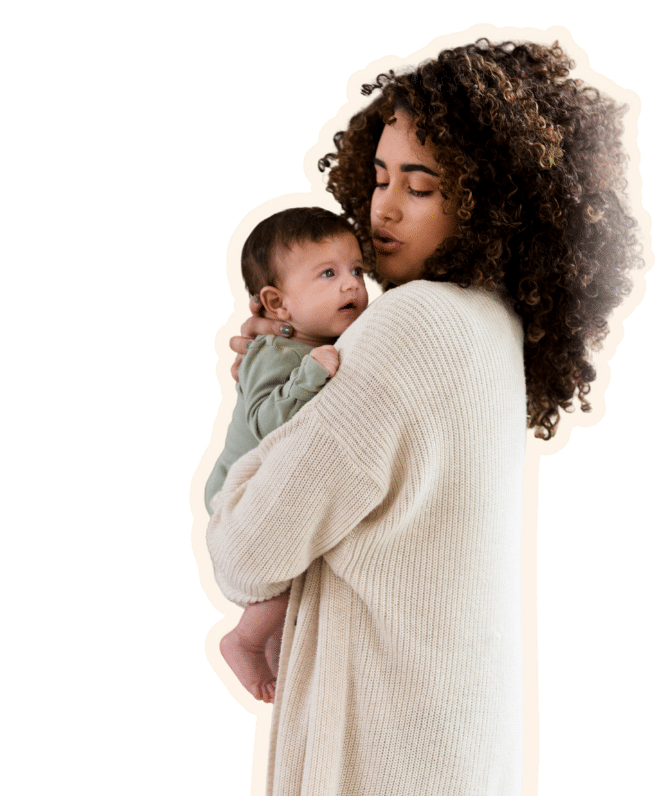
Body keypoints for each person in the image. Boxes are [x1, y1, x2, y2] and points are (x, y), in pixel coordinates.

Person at [209, 40, 641, 796]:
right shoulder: (491, 327)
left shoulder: (414, 324)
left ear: (491, 198)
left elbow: (246, 551)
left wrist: (253, 398)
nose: (382, 208)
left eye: (421, 185)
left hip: (381, 767)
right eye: (378, 178)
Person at [206, 206, 368, 704]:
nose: (352, 286)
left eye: (356, 270)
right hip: (241, 483)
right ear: (277, 303)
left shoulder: (324, 339)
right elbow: (263, 422)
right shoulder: (274, 353)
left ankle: (277, 670)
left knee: (297, 590)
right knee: (286, 565)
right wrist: (310, 374)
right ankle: (244, 639)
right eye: (328, 274)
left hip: (271, 480)